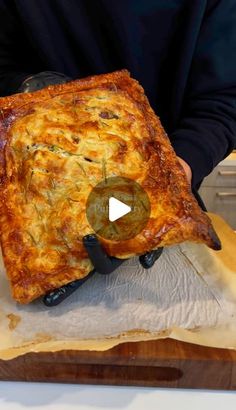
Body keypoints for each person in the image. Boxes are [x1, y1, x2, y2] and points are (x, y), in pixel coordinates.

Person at [0, 0, 235, 305]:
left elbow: (224, 97)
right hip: (34, 201)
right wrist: (26, 85)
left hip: (160, 193)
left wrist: (174, 180)